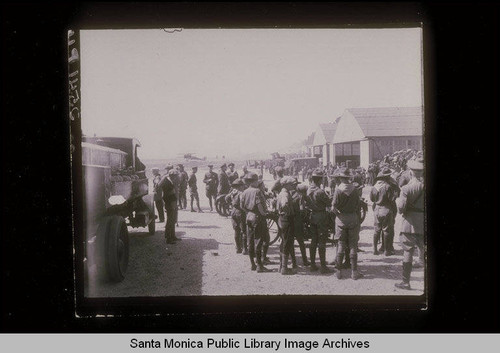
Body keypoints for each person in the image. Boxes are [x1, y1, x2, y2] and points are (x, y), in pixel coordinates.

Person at [395, 157, 425, 290]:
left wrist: (398, 203)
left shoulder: (406, 189)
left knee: (408, 251)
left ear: (411, 173)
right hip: (422, 222)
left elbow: (401, 208)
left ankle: (406, 282)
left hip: (409, 223)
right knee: (422, 248)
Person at [332, 167, 363, 280]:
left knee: (341, 244)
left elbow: (333, 207)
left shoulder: (338, 189)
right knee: (353, 245)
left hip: (341, 219)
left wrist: (338, 214)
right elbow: (358, 204)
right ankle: (354, 272)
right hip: (353, 218)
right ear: (348, 177)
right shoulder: (354, 189)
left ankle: (338, 271)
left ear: (340, 178)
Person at [240, 172, 270, 273]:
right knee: (258, 241)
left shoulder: (244, 192)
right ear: (254, 181)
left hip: (249, 217)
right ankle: (259, 266)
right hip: (258, 218)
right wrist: (264, 214)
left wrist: (248, 212)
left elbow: (242, 206)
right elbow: (259, 205)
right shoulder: (257, 191)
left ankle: (252, 264)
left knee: (250, 241)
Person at [305, 169, 333, 273]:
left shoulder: (308, 190)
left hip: (313, 216)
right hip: (321, 216)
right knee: (322, 242)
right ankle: (323, 267)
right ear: (319, 179)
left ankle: (312, 265)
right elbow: (329, 202)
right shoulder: (320, 191)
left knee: (313, 241)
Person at [370, 166, 400, 256]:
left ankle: (375, 249)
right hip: (387, 209)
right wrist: (394, 195)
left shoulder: (374, 187)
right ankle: (387, 250)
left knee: (376, 230)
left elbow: (372, 199)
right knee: (387, 230)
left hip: (377, 209)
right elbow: (392, 199)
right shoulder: (389, 185)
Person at [276, 177, 299, 274]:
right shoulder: (285, 194)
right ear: (286, 185)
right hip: (286, 219)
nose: (293, 186)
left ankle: (281, 266)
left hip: (282, 219)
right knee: (287, 242)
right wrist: (289, 212)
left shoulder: (281, 193)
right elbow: (285, 204)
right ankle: (284, 268)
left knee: (284, 242)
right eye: (291, 184)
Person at [158, 167, 180, 244]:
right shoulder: (166, 181)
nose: (176, 177)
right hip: (169, 201)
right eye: (175, 175)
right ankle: (168, 238)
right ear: (171, 175)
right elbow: (160, 189)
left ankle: (173, 236)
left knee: (173, 219)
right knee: (170, 220)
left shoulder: (170, 181)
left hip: (172, 201)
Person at [291, 183, 310, 266]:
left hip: (290, 220)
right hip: (297, 221)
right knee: (301, 242)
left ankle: (293, 262)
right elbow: (302, 209)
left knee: (291, 242)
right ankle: (305, 260)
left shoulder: (291, 194)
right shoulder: (300, 197)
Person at [227, 178, 246, 253]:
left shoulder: (233, 192)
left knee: (236, 230)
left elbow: (226, 198)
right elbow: (242, 204)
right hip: (240, 212)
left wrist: (231, 204)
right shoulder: (241, 193)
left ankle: (238, 248)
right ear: (240, 186)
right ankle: (244, 249)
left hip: (233, 211)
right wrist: (246, 211)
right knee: (244, 230)